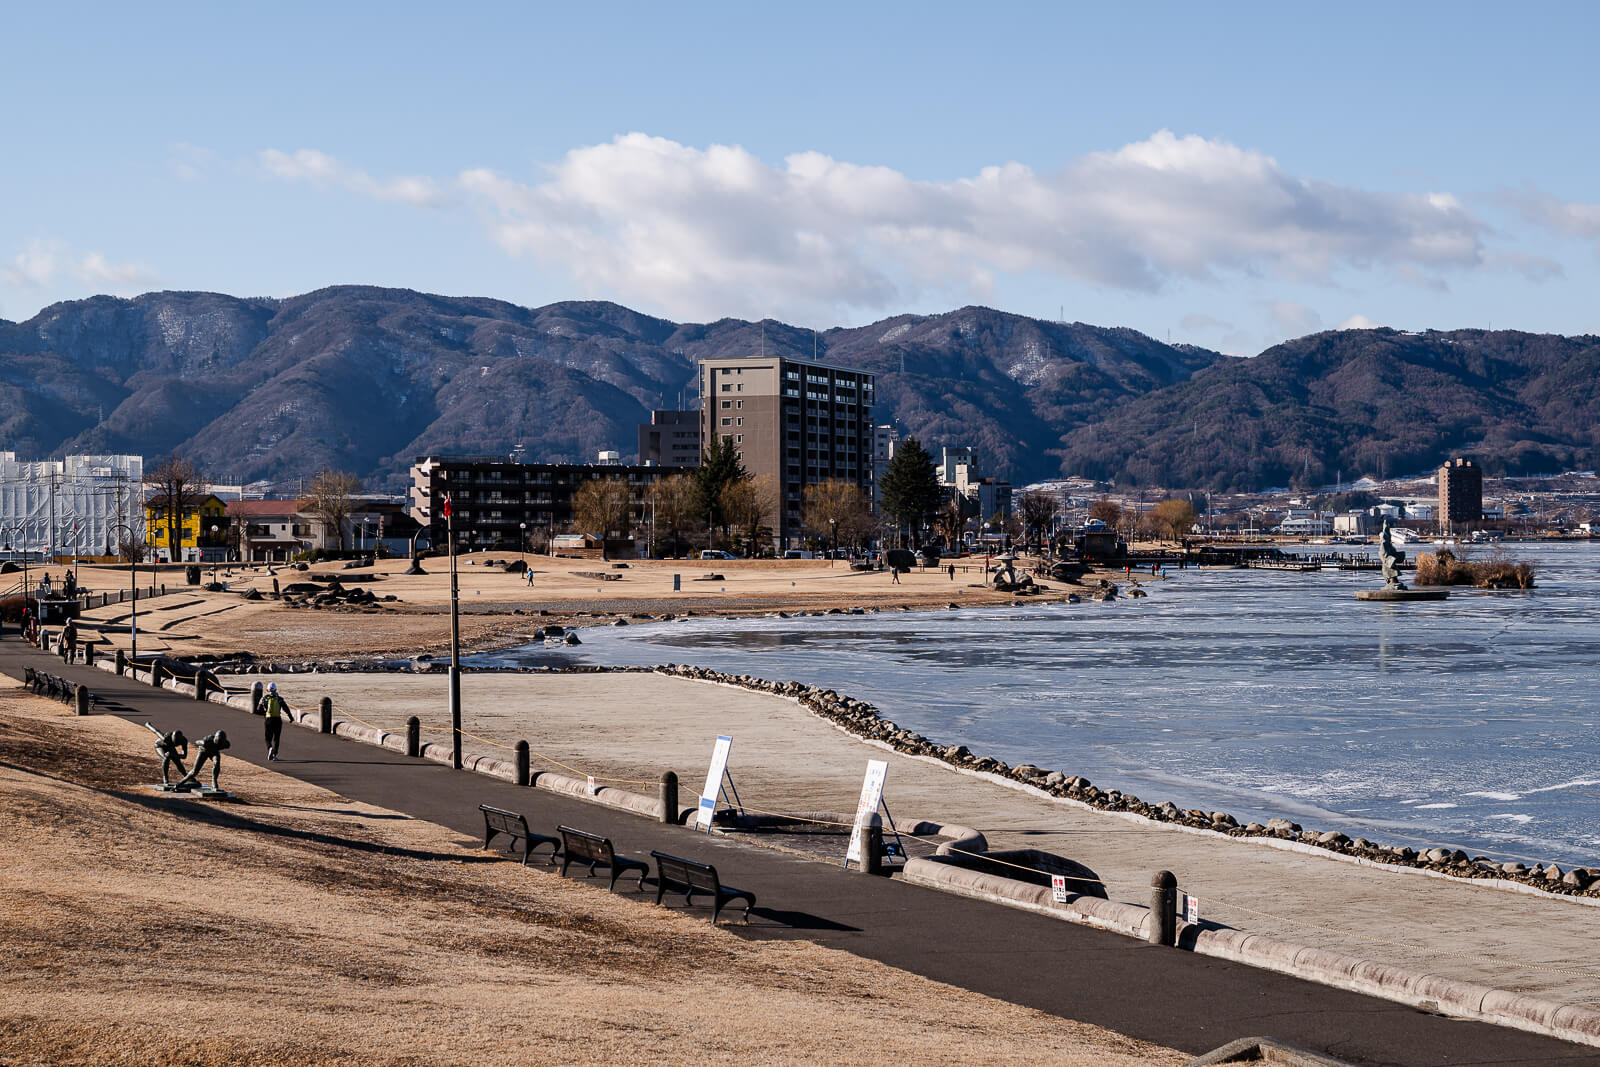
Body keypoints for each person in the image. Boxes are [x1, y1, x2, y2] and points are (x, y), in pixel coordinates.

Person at [260, 682, 289, 761]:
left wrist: (264, 713)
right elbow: (285, 708)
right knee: (276, 738)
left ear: (267, 690)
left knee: (267, 738)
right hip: (277, 719)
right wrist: (291, 717)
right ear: (276, 689)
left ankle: (270, 748)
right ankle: (275, 755)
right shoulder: (279, 698)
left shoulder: (264, 698)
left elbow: (258, 708)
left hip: (268, 719)